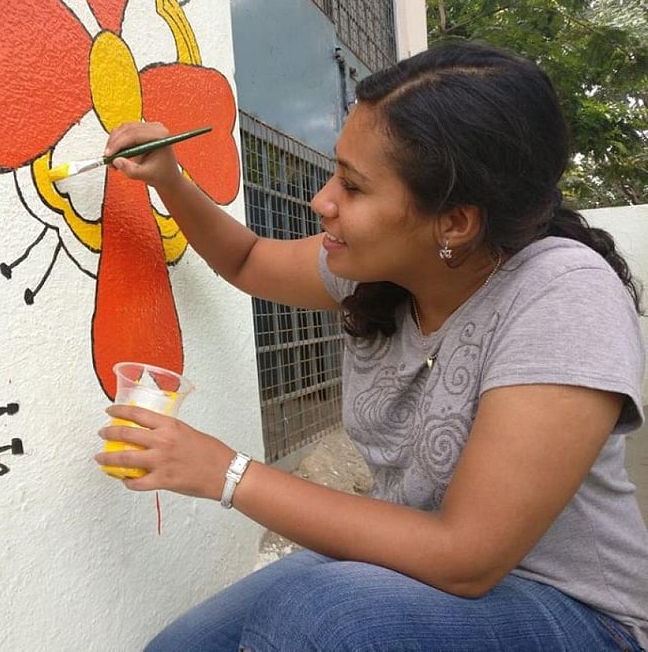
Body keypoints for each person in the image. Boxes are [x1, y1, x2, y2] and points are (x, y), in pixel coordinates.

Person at [94, 41, 648, 651]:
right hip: (409, 560)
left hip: (570, 611)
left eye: (353, 188)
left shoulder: (563, 295)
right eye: (336, 171)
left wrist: (226, 473)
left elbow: (466, 557)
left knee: (322, 618)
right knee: (189, 646)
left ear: (455, 222)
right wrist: (169, 177)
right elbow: (247, 259)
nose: (321, 201)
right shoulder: (378, 270)